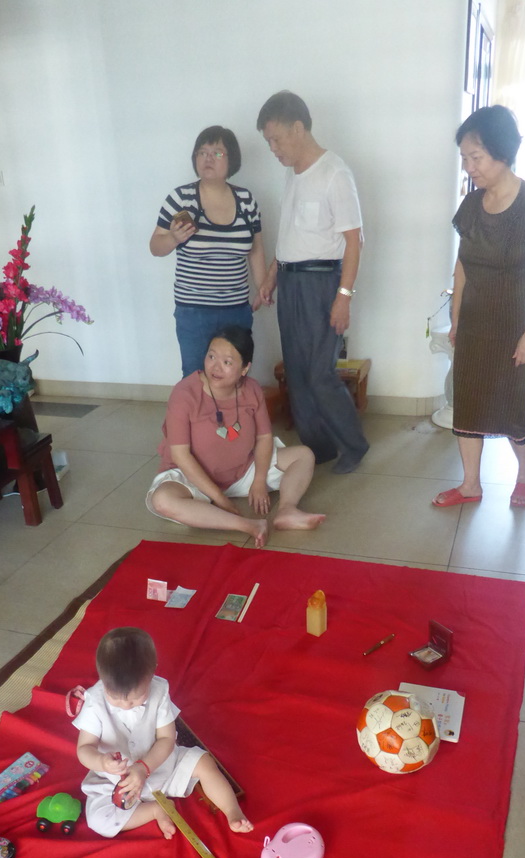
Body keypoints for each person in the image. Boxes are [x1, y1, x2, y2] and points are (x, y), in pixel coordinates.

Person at [432, 105, 525, 510]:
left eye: (477, 157)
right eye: (465, 159)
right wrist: (455, 318)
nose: (470, 167)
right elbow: (462, 264)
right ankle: (471, 484)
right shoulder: (471, 205)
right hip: (473, 323)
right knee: (466, 402)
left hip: (514, 326)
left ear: (502, 154)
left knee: (512, 408)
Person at [256, 90, 369, 474]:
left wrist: (344, 297)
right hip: (291, 283)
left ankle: (354, 445)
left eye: (276, 138)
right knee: (298, 372)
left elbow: (355, 241)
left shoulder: (335, 173)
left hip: (322, 285)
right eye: (267, 141)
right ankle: (318, 449)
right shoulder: (293, 174)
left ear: (298, 128)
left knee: (320, 373)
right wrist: (272, 274)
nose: (273, 148)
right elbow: (289, 234)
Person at [147, 324, 326, 548]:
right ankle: (247, 525)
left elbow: (263, 438)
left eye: (227, 362)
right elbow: (181, 455)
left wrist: (259, 481)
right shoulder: (185, 393)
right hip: (192, 477)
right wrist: (220, 499)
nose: (216, 366)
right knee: (162, 500)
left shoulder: (252, 389)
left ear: (244, 368)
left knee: (304, 455)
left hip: (242, 471)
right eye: (211, 356)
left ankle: (287, 510)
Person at [73, 626, 253, 839]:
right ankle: (155, 810)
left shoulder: (159, 690)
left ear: (152, 674)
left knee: (204, 762)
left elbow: (167, 739)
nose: (126, 705)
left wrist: (144, 767)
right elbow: (84, 749)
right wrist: (102, 763)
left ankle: (232, 811)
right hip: (116, 781)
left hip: (160, 764)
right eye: (116, 699)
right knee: (97, 821)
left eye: (135, 698)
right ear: (102, 679)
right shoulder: (94, 700)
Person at [150, 126, 267, 377]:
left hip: (236, 309)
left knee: (234, 378)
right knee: (195, 377)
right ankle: (196, 419)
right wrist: (172, 237)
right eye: (201, 152)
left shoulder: (247, 201)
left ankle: (233, 418)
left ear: (232, 159)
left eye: (216, 153)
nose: (207, 159)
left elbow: (255, 249)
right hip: (193, 310)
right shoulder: (181, 199)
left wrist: (262, 287)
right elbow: (155, 247)